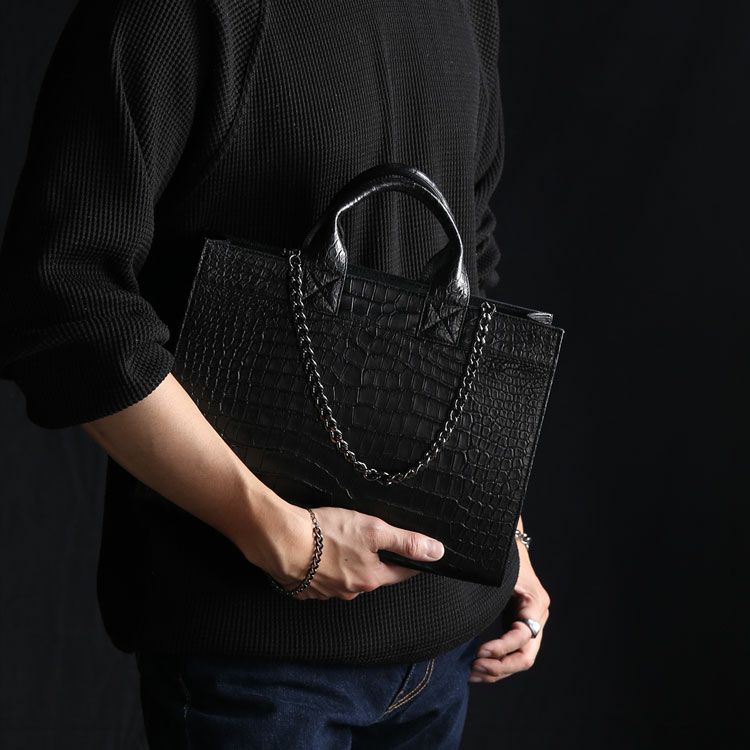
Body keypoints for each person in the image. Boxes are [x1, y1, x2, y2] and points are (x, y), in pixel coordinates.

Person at [0, 0, 551, 747]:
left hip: (446, 646)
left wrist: (505, 535)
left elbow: (467, 268)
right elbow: (65, 301)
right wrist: (281, 536)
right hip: (257, 665)